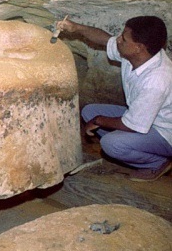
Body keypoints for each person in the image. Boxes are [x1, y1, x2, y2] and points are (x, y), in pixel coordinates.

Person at [57, 15, 172, 182]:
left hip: (165, 132)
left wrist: (100, 120)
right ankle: (134, 147)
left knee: (111, 144)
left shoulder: (156, 80)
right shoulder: (137, 54)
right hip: (145, 117)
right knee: (89, 111)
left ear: (139, 47)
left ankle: (157, 162)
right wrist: (76, 28)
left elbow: (133, 125)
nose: (118, 40)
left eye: (123, 38)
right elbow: (104, 39)